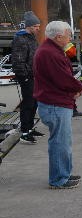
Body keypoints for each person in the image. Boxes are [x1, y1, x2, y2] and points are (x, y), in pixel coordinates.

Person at [32, 20, 82, 189]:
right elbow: (63, 78)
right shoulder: (50, 53)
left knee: (62, 141)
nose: (70, 37)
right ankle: (59, 178)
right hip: (55, 104)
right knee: (60, 142)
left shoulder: (50, 50)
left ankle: (63, 173)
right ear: (59, 36)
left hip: (54, 102)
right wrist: (78, 87)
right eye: (68, 34)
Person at [12, 11, 42, 144]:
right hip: (26, 76)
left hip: (33, 75)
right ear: (29, 26)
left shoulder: (31, 38)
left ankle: (29, 128)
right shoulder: (21, 39)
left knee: (35, 102)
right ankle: (24, 132)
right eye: (36, 26)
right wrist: (24, 76)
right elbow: (18, 61)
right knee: (28, 103)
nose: (38, 29)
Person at [62, 42, 82, 117]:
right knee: (71, 91)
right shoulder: (67, 44)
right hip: (69, 65)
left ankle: (72, 109)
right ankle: (72, 109)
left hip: (68, 65)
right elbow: (72, 53)